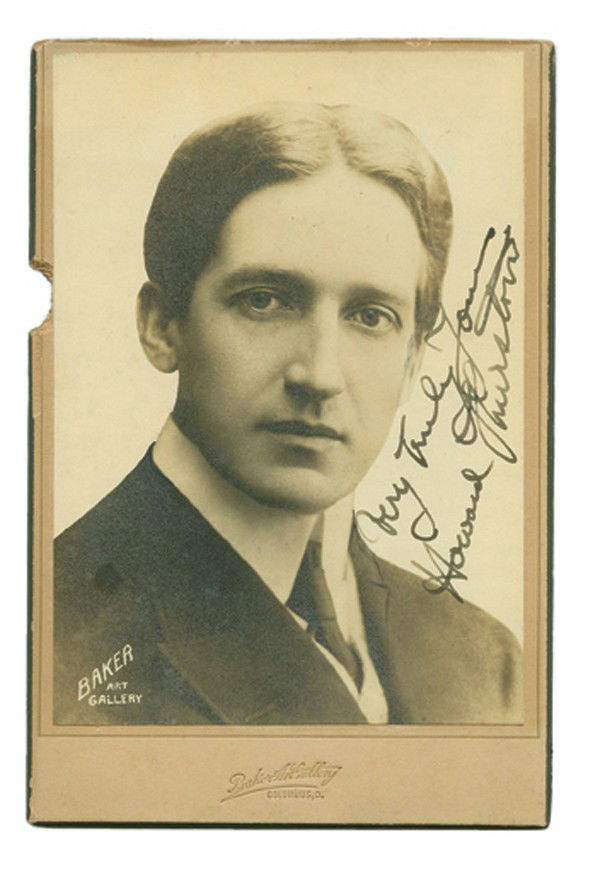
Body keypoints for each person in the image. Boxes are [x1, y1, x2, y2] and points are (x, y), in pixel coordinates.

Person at [54, 102, 522, 725]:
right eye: (266, 301)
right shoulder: (48, 637)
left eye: (370, 317)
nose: (320, 375)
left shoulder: (485, 661)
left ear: (413, 361)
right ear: (162, 326)